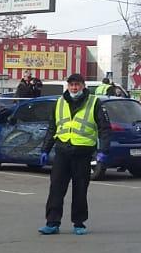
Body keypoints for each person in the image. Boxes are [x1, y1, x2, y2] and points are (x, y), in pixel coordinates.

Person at [38, 73, 113, 236]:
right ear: (68, 86)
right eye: (71, 85)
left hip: (82, 153)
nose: (74, 88)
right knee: (56, 188)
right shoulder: (59, 102)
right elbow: (52, 128)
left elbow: (104, 129)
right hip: (62, 151)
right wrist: (45, 149)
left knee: (80, 190)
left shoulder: (94, 103)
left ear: (83, 86)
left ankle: (79, 223)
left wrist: (103, 151)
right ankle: (52, 222)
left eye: (77, 85)